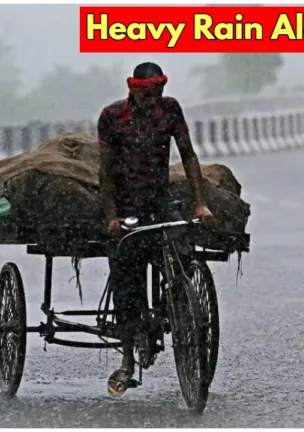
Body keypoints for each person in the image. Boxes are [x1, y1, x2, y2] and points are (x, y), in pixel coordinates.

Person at [97, 62, 214, 397]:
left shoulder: (170, 110)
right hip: (125, 207)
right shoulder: (111, 117)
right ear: (134, 91)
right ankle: (128, 357)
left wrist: (200, 203)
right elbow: (105, 172)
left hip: (159, 202)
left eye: (159, 93)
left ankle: (178, 306)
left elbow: (188, 155)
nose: (154, 101)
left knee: (182, 253)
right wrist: (112, 216)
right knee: (126, 276)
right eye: (149, 94)